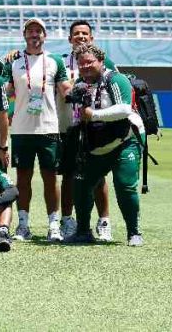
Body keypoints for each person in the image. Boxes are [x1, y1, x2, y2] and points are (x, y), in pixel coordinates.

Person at [69, 43, 144, 246]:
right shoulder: (79, 84)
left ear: (101, 62)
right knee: (81, 184)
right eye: (81, 63)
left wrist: (93, 115)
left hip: (125, 141)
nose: (85, 66)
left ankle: (134, 232)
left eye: (89, 62)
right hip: (96, 146)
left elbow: (124, 109)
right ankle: (83, 231)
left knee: (125, 186)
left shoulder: (115, 79)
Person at [4, 18, 72, 242]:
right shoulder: (13, 62)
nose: (35, 35)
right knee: (23, 177)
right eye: (31, 31)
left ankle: (54, 225)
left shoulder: (54, 61)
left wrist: (79, 91)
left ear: (45, 36)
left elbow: (65, 90)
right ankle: (23, 225)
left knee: (50, 178)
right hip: (21, 128)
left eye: (39, 31)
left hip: (48, 128)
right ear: (24, 35)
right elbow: (5, 90)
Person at [59, 19, 118, 241]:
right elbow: (66, 91)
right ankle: (67, 222)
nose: (81, 37)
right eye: (76, 34)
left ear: (91, 38)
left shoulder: (106, 61)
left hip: (96, 128)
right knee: (68, 176)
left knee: (99, 177)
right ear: (70, 39)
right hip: (69, 128)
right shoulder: (62, 62)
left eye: (85, 34)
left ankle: (104, 222)